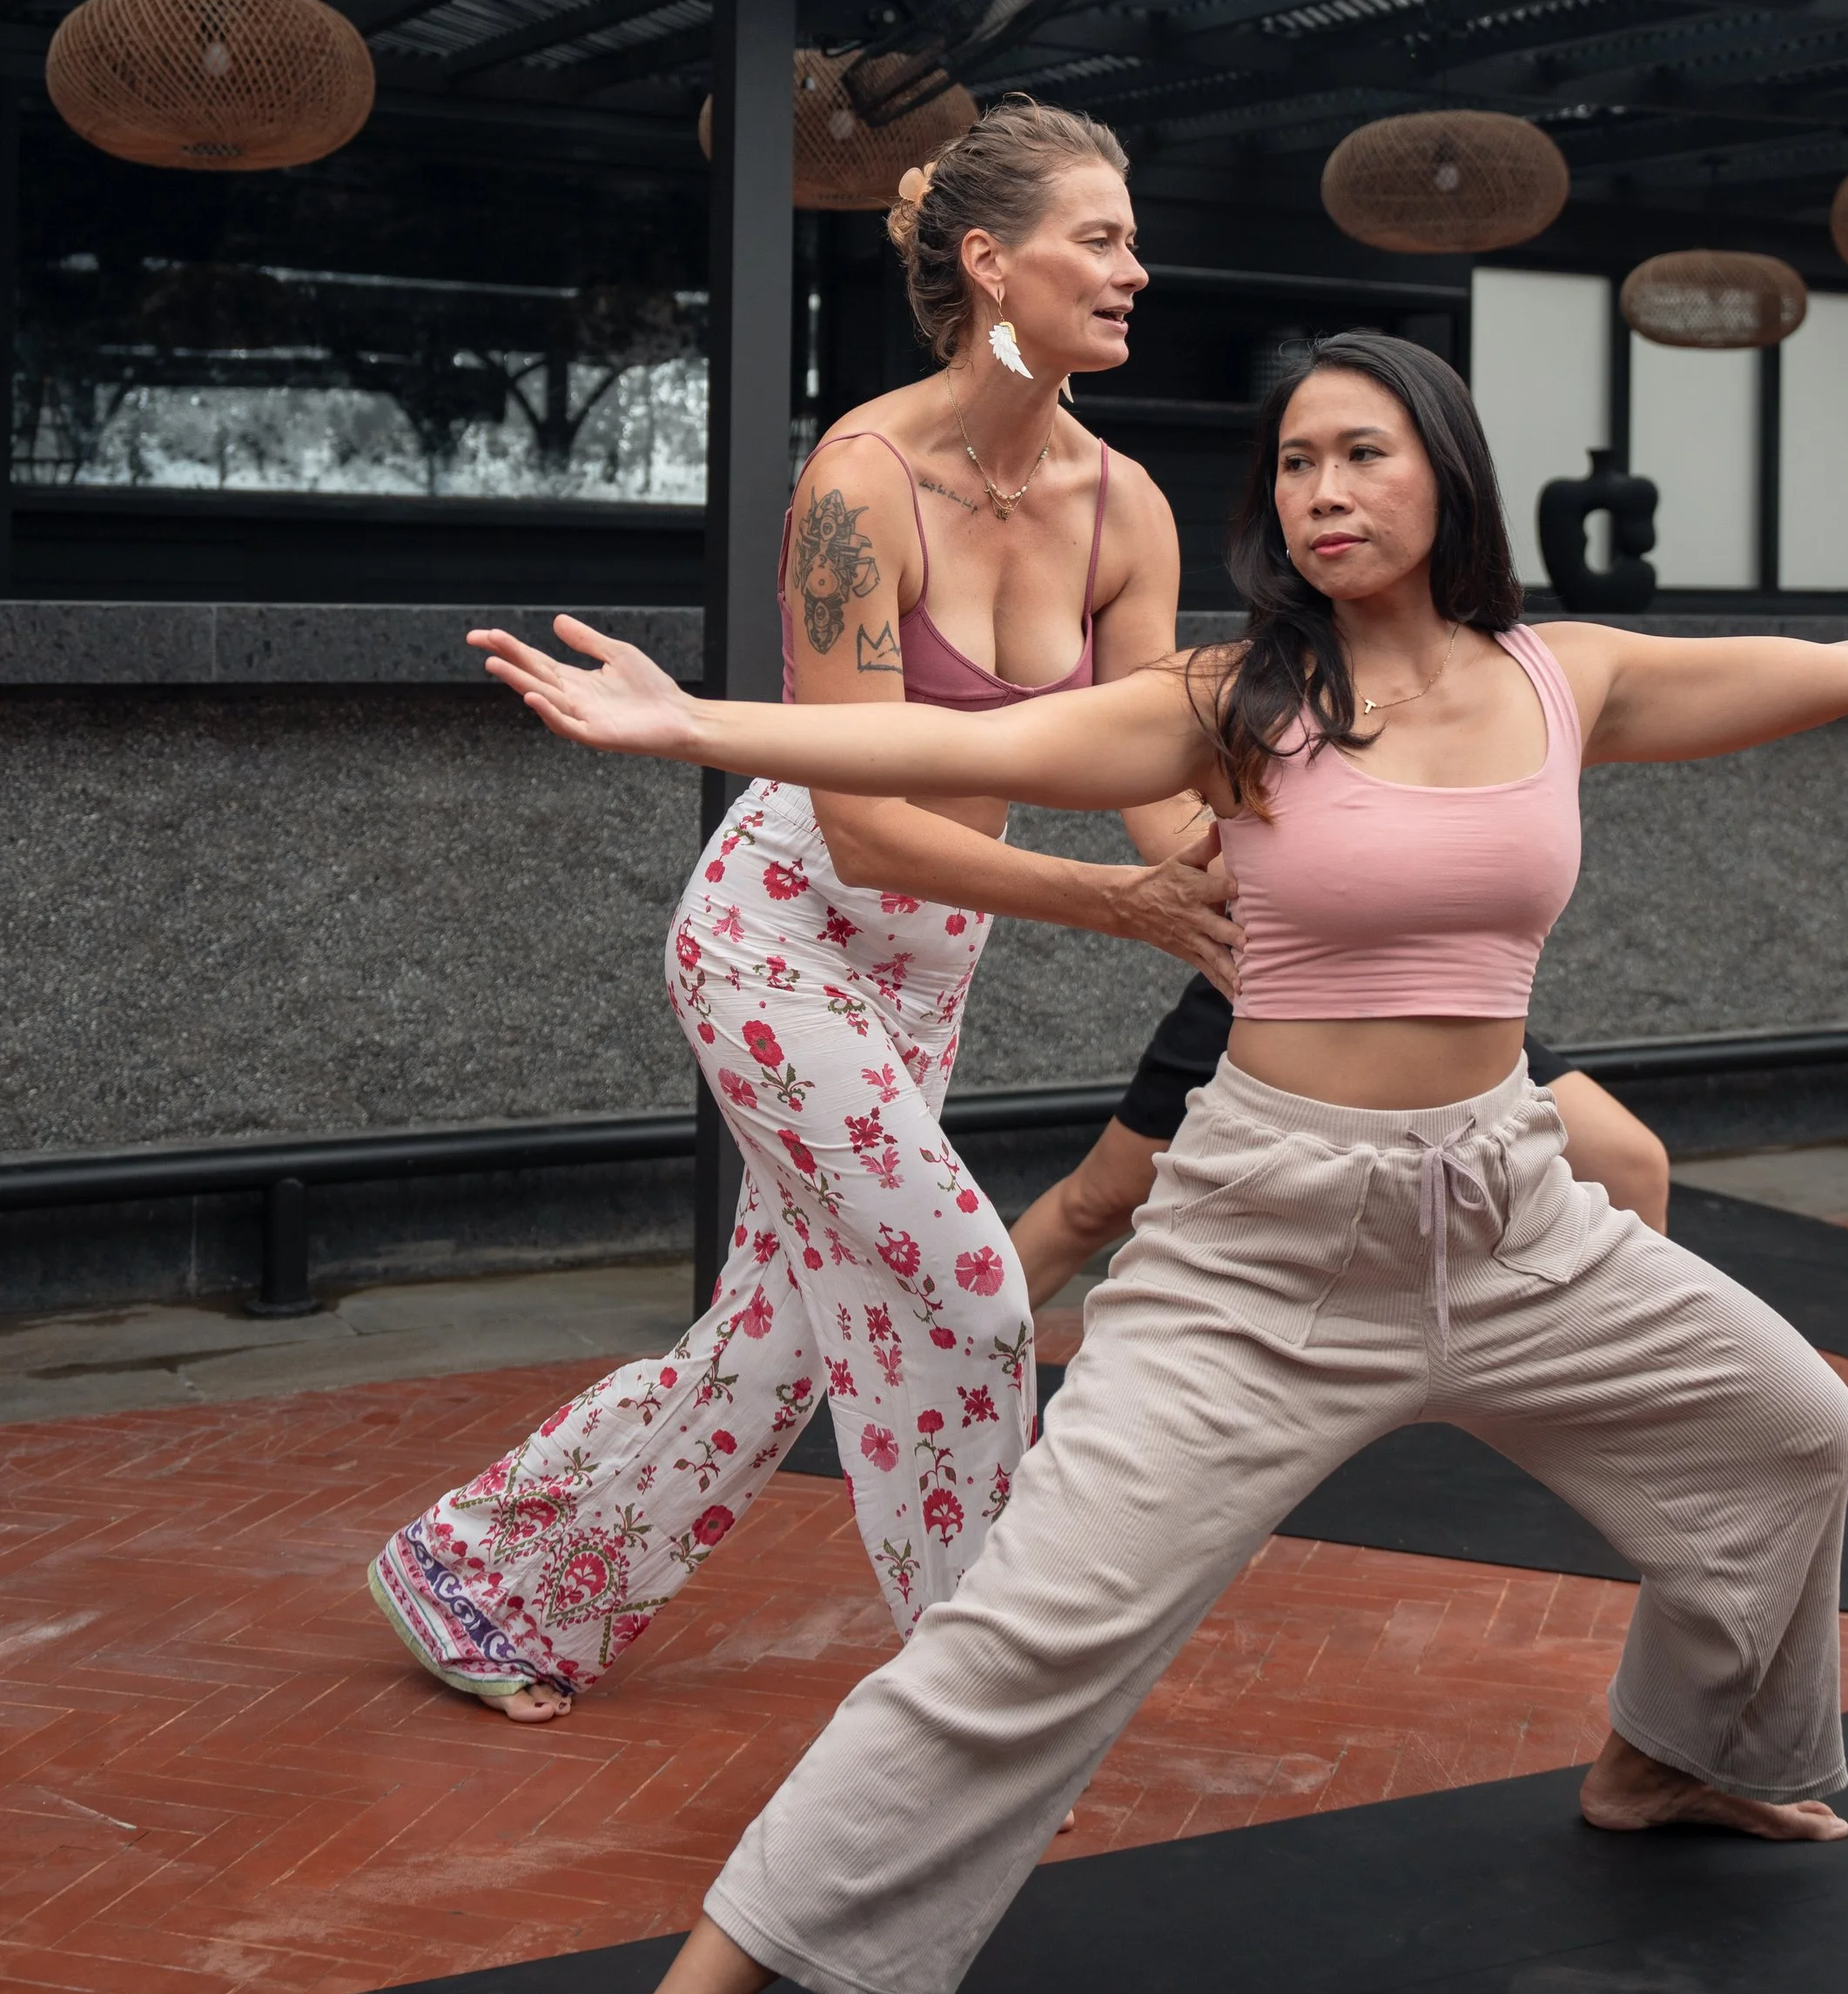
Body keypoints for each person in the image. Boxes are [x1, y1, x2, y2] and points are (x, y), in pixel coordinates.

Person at [461, 331, 1848, 1994]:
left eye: (1360, 454)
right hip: (1258, 1259)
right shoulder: (1234, 697)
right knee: (1012, 1651)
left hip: (1511, 1217)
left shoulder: (1560, 676)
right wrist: (685, 723)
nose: (1323, 493)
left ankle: (1672, 1753)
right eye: (1292, 466)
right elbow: (954, 742)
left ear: (1443, 470)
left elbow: (1833, 675)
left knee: (1787, 1430)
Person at [366, 97, 1240, 1724]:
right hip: (781, 934)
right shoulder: (861, 481)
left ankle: (482, 1584)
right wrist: (1124, 906)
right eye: (1102, 238)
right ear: (992, 263)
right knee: (972, 1288)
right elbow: (862, 818)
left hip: (928, 966)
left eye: (1136, 237)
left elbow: (1151, 772)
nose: (1141, 268)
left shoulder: (1129, 508)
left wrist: (1241, 888)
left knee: (776, 1339)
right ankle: (982, 1683)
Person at [1010, 967, 1669, 1312]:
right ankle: (941, 1364)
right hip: (1279, 985)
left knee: (1630, 1163)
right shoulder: (1255, 711)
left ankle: (1642, 1418)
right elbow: (1179, 834)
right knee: (1095, 1204)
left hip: (1427, 997)